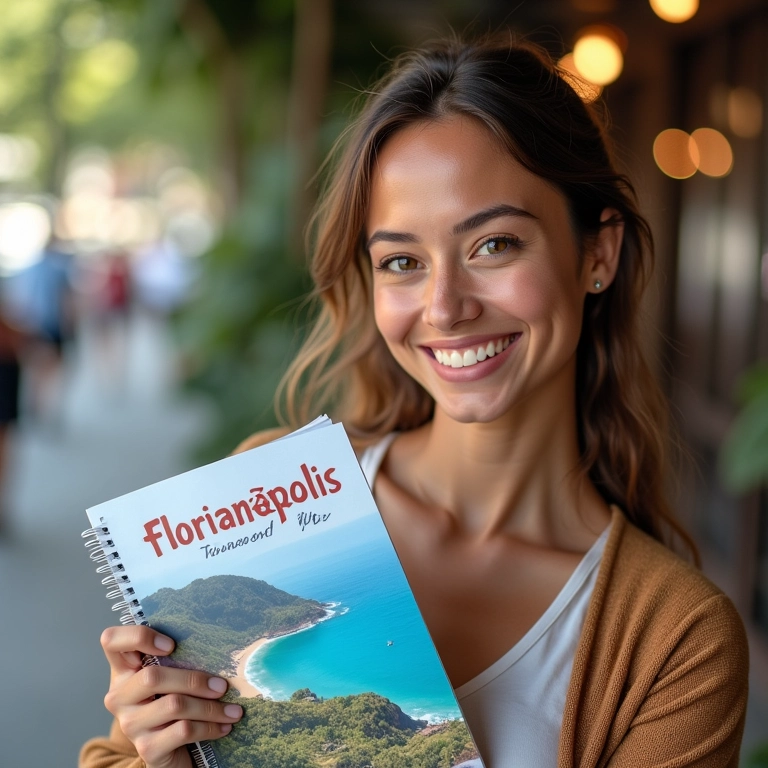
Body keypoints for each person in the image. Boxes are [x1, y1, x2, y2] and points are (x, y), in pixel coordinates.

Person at [81, 37, 749, 768]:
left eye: (493, 245)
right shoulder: (269, 491)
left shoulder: (677, 639)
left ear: (598, 253)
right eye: (402, 262)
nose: (445, 307)